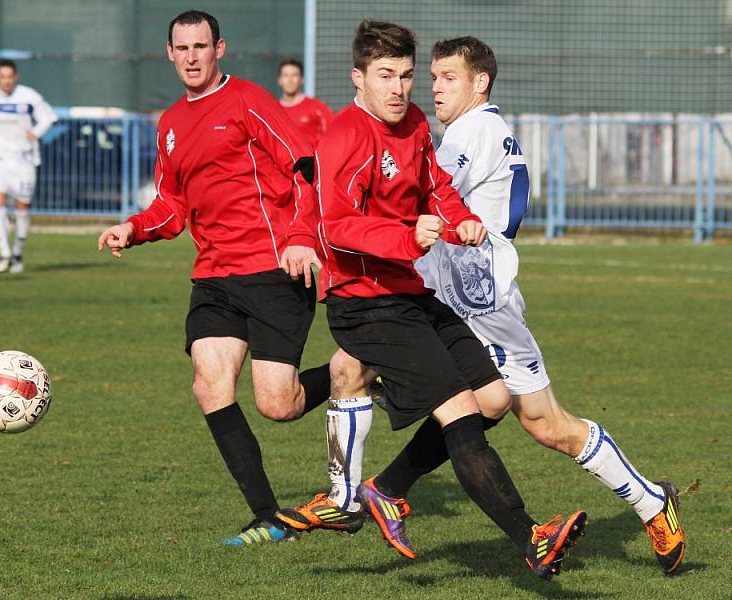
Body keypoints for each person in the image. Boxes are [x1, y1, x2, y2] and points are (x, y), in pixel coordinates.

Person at [281, 35, 685, 575]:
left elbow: (425, 185)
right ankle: (371, 489)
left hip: (480, 301)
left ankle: (648, 504)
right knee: (397, 377)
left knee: (541, 422)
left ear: (480, 83)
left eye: (447, 77)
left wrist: (337, 201)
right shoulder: (472, 128)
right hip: (453, 290)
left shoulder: (471, 131)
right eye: (432, 77)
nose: (431, 87)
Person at [97, 10, 332, 547]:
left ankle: (358, 370)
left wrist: (301, 235)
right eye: (182, 48)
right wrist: (133, 228)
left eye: (201, 46)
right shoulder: (171, 123)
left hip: (275, 268)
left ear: (219, 49)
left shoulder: (249, 101)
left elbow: (305, 167)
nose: (191, 57)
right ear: (170, 53)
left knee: (279, 404)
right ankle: (269, 517)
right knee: (209, 384)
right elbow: (171, 204)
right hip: (215, 277)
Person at [0, 59, 57, 273]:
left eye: (10, 77)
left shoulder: (29, 96)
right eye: (3, 77)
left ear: (15, 77)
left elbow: (48, 117)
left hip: (23, 158)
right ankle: (4, 251)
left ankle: (18, 251)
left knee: (21, 206)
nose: (7, 81)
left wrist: (36, 132)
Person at [277, 59, 333, 148]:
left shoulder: (317, 107)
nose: (290, 80)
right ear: (279, 80)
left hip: (312, 160)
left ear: (302, 79)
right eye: (285, 75)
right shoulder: (274, 111)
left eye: (294, 75)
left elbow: (332, 138)